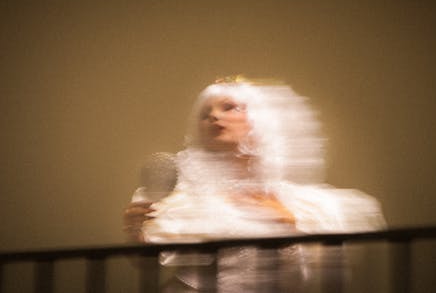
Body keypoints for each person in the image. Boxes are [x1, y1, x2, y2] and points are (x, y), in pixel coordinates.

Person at [123, 76, 385, 292]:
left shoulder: (298, 201)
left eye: (229, 107)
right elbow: (150, 263)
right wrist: (136, 233)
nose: (214, 116)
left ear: (261, 119)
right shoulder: (186, 192)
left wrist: (287, 226)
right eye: (206, 113)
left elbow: (314, 273)